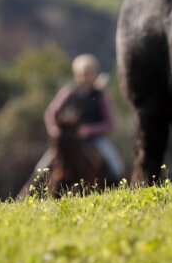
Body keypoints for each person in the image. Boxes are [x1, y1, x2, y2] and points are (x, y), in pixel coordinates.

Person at [44, 53, 125, 181]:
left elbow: (110, 124)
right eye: (82, 74)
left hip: (95, 140)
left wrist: (89, 130)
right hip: (68, 141)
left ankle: (118, 189)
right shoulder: (68, 93)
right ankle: (29, 191)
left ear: (94, 74)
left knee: (116, 167)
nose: (85, 78)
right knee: (42, 167)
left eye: (88, 74)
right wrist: (55, 131)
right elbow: (50, 113)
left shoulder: (101, 96)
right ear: (76, 75)